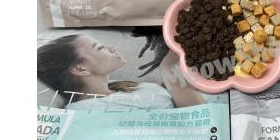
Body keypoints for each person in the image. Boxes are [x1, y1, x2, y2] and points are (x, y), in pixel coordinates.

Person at [37, 34, 206, 109]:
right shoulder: (92, 110)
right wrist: (169, 68)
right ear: (80, 69)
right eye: (100, 47)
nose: (112, 48)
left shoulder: (112, 87)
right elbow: (198, 119)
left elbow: (160, 95)